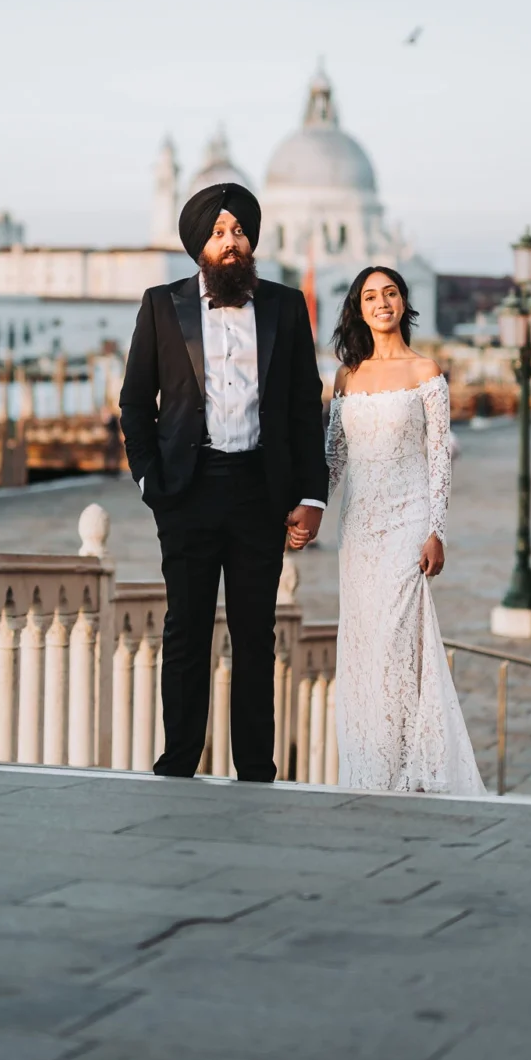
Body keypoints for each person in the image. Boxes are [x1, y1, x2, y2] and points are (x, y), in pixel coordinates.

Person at [119, 183, 328, 781]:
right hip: (186, 490)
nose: (230, 242)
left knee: (255, 635)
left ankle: (256, 769)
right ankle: (178, 762)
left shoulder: (287, 306)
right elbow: (136, 403)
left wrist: (310, 495)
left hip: (260, 490)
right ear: (200, 247)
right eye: (218, 233)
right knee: (186, 629)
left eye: (238, 232)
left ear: (251, 241)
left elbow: (301, 405)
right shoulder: (162, 304)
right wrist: (148, 484)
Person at [327, 267, 485, 795]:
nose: (381, 302)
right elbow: (334, 456)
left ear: (403, 302)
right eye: (370, 295)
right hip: (360, 528)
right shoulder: (347, 375)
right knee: (363, 643)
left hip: (408, 522)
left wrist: (436, 530)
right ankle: (368, 761)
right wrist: (306, 511)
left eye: (390, 292)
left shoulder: (426, 371)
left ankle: (403, 767)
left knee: (397, 642)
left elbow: (440, 456)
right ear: (358, 308)